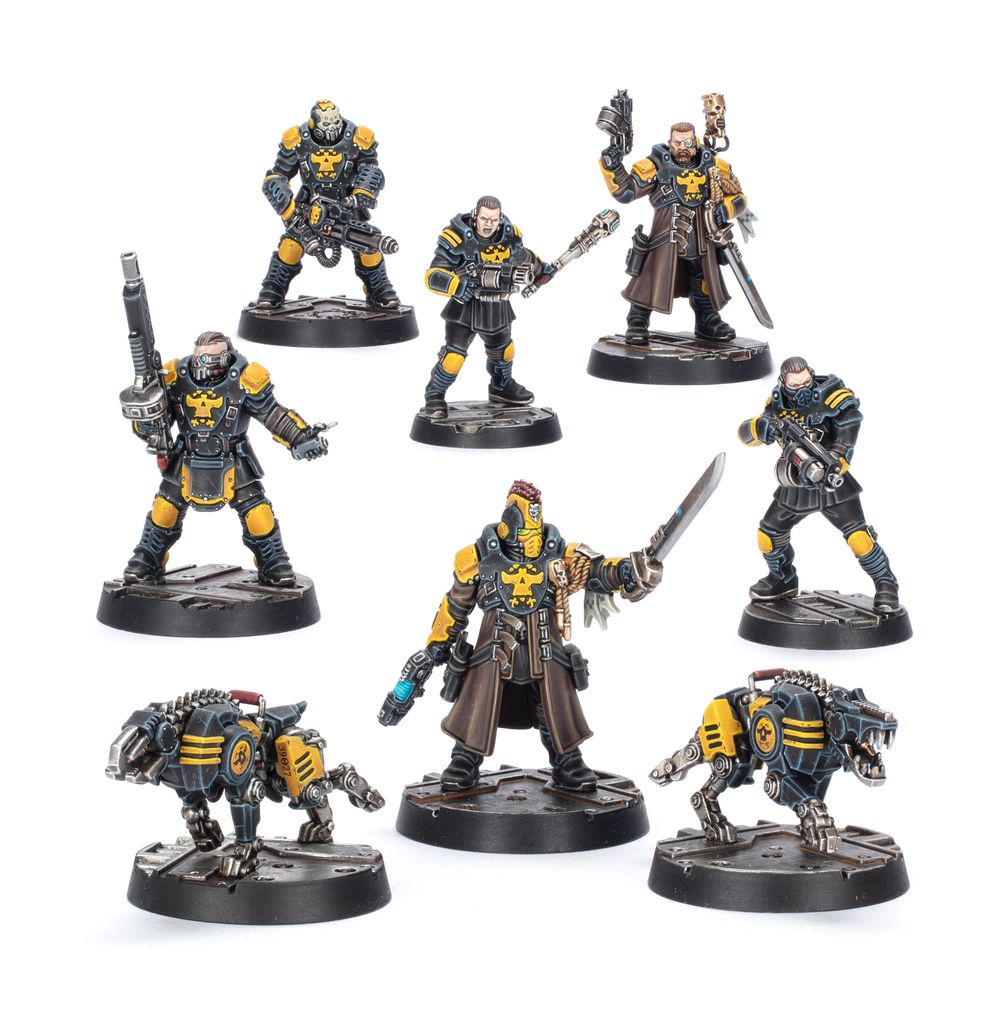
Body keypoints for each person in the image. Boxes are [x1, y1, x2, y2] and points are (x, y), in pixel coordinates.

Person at [378, 481, 662, 791]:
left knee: (554, 707)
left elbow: (597, 571)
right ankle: (465, 760)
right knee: (478, 705)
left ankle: (567, 761)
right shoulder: (477, 558)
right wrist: (436, 647)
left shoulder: (560, 556)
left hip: (546, 651)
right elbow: (455, 605)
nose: (532, 537)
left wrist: (629, 571)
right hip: (492, 651)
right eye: (527, 526)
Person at [124, 331, 328, 586]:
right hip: (186, 458)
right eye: (197, 355)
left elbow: (273, 415)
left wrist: (302, 438)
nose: (199, 362)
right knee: (164, 511)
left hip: (233, 460)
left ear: (224, 358)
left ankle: (273, 562)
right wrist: (147, 417)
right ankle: (147, 558)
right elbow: (158, 422)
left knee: (258, 514)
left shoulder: (245, 380)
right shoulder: (176, 378)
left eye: (206, 358)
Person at [738, 356, 901, 612]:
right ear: (784, 383)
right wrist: (760, 428)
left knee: (859, 538)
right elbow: (746, 436)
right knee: (768, 535)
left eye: (806, 382)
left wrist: (831, 462)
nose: (802, 389)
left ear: (812, 376)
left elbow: (846, 441)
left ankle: (886, 584)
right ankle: (782, 579)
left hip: (831, 482)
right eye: (795, 385)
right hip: (795, 482)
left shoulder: (833, 398)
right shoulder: (776, 403)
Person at [599, 120, 752, 343]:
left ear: (695, 143)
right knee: (648, 280)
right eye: (678, 143)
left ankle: (707, 320)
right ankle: (637, 321)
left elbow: (739, 198)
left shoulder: (713, 166)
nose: (683, 148)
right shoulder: (655, 166)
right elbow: (626, 193)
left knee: (704, 280)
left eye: (688, 143)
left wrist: (723, 210)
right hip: (664, 239)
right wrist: (613, 166)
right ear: (670, 142)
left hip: (702, 239)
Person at [255, 99, 399, 308]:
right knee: (290, 246)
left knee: (368, 243)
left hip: (346, 206)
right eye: (326, 123)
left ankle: (379, 289)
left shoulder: (359, 138)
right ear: (314, 124)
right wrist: (290, 212)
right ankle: (273, 289)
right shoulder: (296, 140)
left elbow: (371, 169)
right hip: (308, 209)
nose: (331, 127)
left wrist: (361, 195)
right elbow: (276, 177)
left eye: (334, 122)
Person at [421, 196, 554, 419]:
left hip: (497, 305)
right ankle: (434, 394)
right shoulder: (456, 238)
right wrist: (458, 285)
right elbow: (433, 276)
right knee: (453, 357)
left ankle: (502, 387)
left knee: (504, 351)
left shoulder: (508, 237)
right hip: (465, 307)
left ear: (500, 219)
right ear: (476, 216)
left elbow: (524, 257)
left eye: (493, 219)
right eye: (484, 218)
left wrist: (541, 269)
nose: (488, 224)